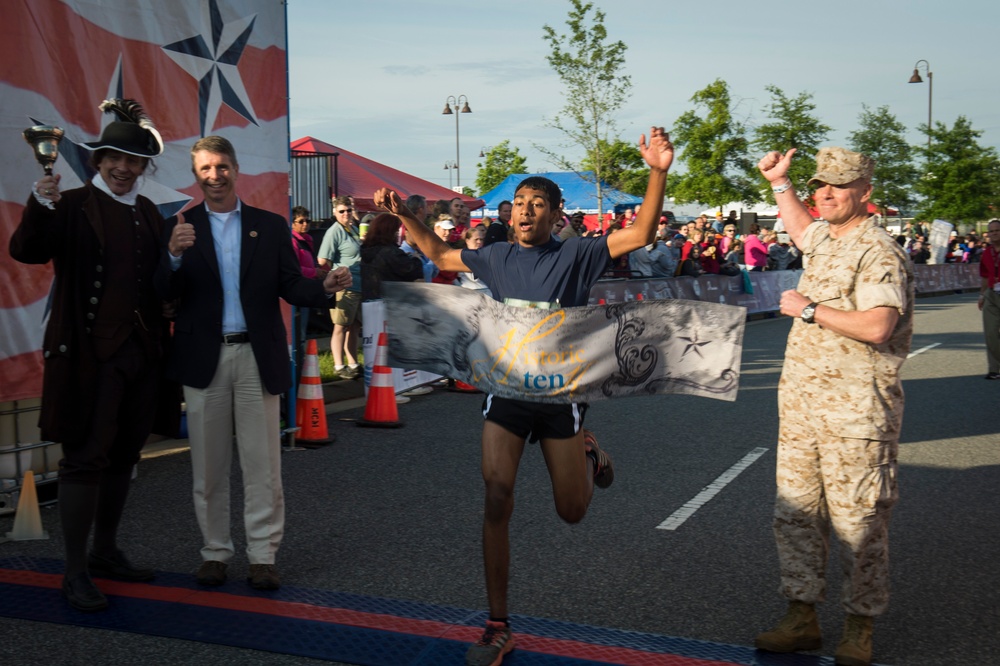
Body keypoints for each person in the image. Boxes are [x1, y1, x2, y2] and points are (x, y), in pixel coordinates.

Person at [374, 126, 674, 666]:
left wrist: (657, 171)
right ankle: (497, 625)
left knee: (572, 512)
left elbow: (642, 232)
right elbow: (441, 256)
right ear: (509, 215)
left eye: (537, 204)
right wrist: (404, 215)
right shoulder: (495, 257)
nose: (525, 211)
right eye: (518, 205)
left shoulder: (579, 254)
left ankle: (588, 450)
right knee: (495, 496)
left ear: (557, 217)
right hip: (508, 394)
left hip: (561, 401)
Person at [156, 135, 350, 592]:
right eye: (205, 168)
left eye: (221, 166)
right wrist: (173, 256)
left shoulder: (269, 225)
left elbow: (290, 286)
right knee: (208, 465)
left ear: (236, 169)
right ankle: (215, 552)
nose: (215, 176)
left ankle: (262, 555)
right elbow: (162, 293)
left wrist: (323, 287)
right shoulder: (180, 226)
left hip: (255, 356)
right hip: (204, 358)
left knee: (263, 464)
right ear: (196, 174)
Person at [10, 98, 176, 612]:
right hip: (88, 355)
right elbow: (26, 252)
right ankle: (75, 571)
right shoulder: (71, 203)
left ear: (143, 167)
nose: (124, 169)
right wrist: (40, 203)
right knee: (84, 459)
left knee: (125, 456)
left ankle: (105, 552)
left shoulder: (148, 211)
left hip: (140, 354)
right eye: (115, 159)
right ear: (99, 160)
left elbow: (156, 284)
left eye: (134, 162)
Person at [755, 146, 914, 666]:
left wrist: (810, 311)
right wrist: (781, 184)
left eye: (838, 186)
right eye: (820, 183)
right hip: (803, 407)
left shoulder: (879, 250)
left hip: (857, 415)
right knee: (796, 515)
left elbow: (878, 325)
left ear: (865, 192)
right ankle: (802, 618)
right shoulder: (826, 236)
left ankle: (859, 625)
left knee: (858, 522)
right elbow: (803, 230)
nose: (824, 193)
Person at [319, 195, 363, 379]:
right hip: (344, 287)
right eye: (342, 211)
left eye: (349, 210)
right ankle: (338, 365)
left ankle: (352, 363)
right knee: (340, 326)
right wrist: (335, 276)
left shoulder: (352, 229)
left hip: (359, 285)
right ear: (335, 212)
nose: (346, 214)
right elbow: (322, 261)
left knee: (353, 327)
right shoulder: (334, 231)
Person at [360, 212, 424, 301]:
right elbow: (412, 271)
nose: (397, 234)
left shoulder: (366, 250)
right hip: (392, 303)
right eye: (396, 231)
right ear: (389, 232)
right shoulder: (390, 253)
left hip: (370, 301)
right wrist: (416, 258)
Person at [978, 219, 1000, 380]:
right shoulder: (987, 253)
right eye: (991, 231)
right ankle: (994, 368)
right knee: (991, 333)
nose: (993, 234)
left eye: (997, 230)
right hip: (991, 294)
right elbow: (985, 276)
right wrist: (982, 294)